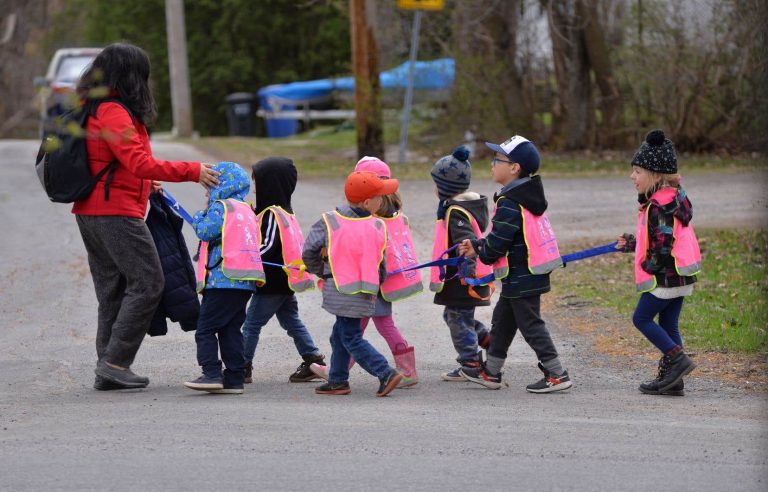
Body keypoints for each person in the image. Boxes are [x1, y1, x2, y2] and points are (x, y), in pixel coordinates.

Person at [73, 42, 219, 391]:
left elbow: (114, 162)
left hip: (91, 210)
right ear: (130, 75)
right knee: (148, 282)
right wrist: (193, 170)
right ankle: (114, 361)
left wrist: (144, 182)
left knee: (114, 289)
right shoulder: (113, 111)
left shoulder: (93, 107)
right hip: (114, 213)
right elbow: (137, 161)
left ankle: (107, 367)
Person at [458, 135, 572, 393]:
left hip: (523, 274)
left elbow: (498, 244)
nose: (492, 164)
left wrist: (480, 252)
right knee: (503, 321)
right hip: (522, 274)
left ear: (514, 168)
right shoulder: (523, 196)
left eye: (497, 159)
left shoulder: (511, 201)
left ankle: (556, 373)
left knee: (530, 324)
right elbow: (503, 236)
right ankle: (492, 372)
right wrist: (477, 245)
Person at [310, 157, 421, 387]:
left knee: (351, 329)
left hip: (367, 280)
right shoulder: (394, 212)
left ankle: (340, 373)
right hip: (383, 279)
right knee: (375, 325)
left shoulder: (369, 217)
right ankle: (403, 369)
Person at [616, 129, 700, 396]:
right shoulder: (673, 199)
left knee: (641, 318)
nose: (632, 177)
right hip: (681, 276)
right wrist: (633, 245)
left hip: (665, 276)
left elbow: (663, 244)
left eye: (638, 172)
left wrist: (650, 266)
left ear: (656, 175)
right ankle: (674, 381)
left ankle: (677, 360)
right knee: (668, 324)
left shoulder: (659, 206)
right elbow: (659, 238)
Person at [241, 157, 326, 384]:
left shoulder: (272, 214)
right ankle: (312, 359)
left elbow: (267, 246)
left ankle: (241, 366)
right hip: (285, 280)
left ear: (270, 184)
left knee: (251, 324)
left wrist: (245, 255)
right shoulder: (285, 211)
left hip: (273, 282)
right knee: (291, 321)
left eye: (257, 182)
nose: (254, 187)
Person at [184, 162, 264, 395]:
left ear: (221, 185)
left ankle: (210, 373)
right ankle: (234, 378)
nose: (207, 192)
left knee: (206, 329)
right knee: (230, 329)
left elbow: (205, 231)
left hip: (222, 280)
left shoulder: (221, 207)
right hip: (244, 281)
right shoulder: (246, 209)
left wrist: (201, 213)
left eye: (209, 186)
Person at [429, 146, 494, 381]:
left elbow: (466, 242)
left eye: (436, 183)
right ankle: (488, 341)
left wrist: (467, 270)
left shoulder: (456, 211)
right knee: (455, 317)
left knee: (457, 318)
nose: (434, 188)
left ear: (445, 187)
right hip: (463, 277)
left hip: (463, 278)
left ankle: (470, 363)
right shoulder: (465, 206)